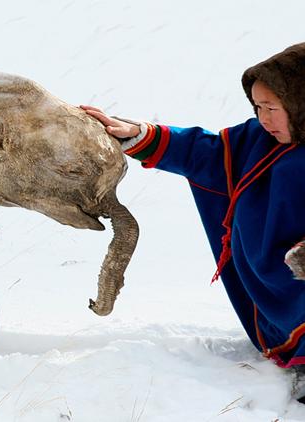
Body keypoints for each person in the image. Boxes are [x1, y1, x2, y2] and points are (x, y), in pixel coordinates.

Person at [80, 42, 305, 401]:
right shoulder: (258, 141)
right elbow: (210, 154)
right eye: (258, 107)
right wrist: (140, 135)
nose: (264, 118)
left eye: (273, 108)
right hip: (278, 295)